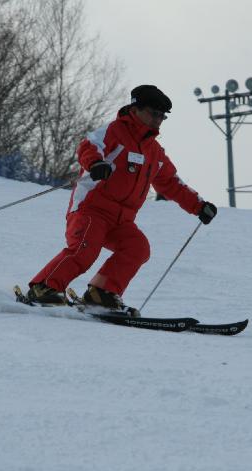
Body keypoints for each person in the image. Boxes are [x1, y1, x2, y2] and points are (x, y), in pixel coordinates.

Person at [27, 85, 217, 314]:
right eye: (153, 113)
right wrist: (96, 163)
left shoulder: (154, 151)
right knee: (85, 250)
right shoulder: (114, 132)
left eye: (162, 116)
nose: (158, 120)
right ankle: (43, 287)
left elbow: (170, 182)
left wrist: (199, 206)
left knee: (137, 248)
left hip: (122, 220)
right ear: (135, 109)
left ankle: (101, 294)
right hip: (91, 210)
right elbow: (89, 146)